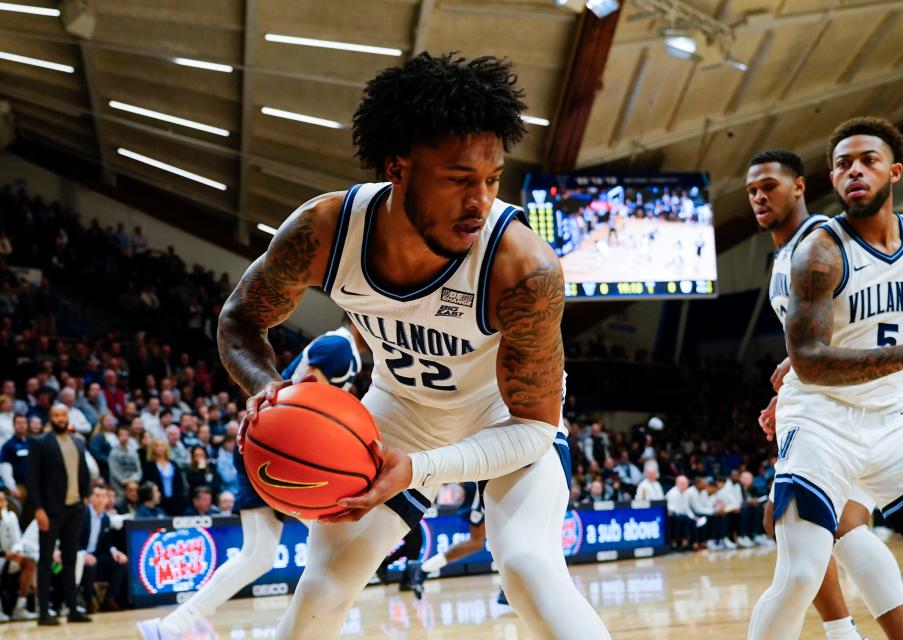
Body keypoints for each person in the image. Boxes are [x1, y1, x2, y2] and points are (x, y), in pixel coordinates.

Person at [207, 52, 607, 640]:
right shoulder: (323, 230)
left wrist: (422, 469)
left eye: (492, 180)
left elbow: (534, 427)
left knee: (525, 564)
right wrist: (269, 390)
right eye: (458, 179)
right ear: (398, 167)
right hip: (401, 408)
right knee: (324, 580)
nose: (479, 201)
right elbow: (239, 320)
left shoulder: (523, 267)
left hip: (503, 416)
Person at [748, 118, 903, 640]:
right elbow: (811, 360)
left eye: (867, 160)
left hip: (892, 422)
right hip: (821, 421)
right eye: (843, 164)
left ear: (895, 171)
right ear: (831, 179)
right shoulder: (817, 252)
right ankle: (844, 630)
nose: (855, 171)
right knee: (800, 571)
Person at [138, 324, 367, 639]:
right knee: (331, 545)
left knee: (260, 555)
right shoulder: (339, 347)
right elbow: (305, 399)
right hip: (275, 448)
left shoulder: (349, 351)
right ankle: (316, 629)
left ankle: (169, 627)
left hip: (277, 447)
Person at [27, 403, 92, 625]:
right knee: (45, 560)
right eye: (56, 415)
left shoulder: (78, 442)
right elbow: (32, 479)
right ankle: (43, 612)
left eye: (63, 414)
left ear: (67, 417)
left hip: (75, 509)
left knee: (70, 560)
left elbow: (83, 472)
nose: (60, 418)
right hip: (50, 511)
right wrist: (38, 509)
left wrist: (85, 497)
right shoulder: (39, 443)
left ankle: (72, 608)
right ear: (50, 418)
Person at [79, 485, 127, 612]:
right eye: (97, 496)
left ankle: (109, 599)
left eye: (104, 496)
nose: (101, 499)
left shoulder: (105, 518)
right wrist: (83, 554)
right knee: (91, 564)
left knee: (121, 562)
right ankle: (89, 601)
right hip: (79, 554)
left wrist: (115, 552)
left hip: (96, 554)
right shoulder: (82, 514)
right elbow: (72, 539)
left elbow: (107, 542)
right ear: (90, 498)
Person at [0, 489, 38, 621]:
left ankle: (20, 606)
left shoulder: (10, 517)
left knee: (30, 561)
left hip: (9, 558)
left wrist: (17, 551)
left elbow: (18, 540)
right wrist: (4, 553)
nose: (2, 503)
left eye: (3, 500)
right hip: (2, 556)